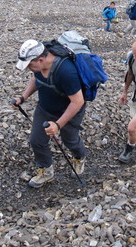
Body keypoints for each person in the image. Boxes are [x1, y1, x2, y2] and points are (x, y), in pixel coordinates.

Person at [12, 39, 87, 188]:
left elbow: (77, 102)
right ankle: (46, 171)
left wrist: (58, 125)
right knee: (36, 140)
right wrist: (23, 97)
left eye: (29, 66)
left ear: (41, 59)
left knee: (70, 140)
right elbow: (36, 79)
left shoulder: (65, 71)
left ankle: (80, 157)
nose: (28, 69)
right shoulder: (38, 67)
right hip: (45, 108)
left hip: (68, 110)